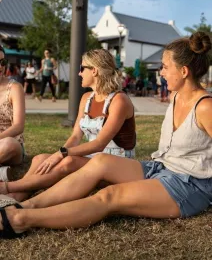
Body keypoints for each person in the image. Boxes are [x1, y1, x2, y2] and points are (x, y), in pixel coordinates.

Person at [2, 31, 211, 238]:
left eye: (165, 67)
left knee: (109, 196)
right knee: (100, 161)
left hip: (189, 184)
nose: (161, 72)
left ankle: (19, 220)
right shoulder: (176, 97)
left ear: (184, 72)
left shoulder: (205, 107)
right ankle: (23, 205)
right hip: (160, 167)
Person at [0, 49, 136, 201]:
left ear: (95, 71)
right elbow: (76, 136)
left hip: (118, 163)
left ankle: (8, 188)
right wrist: (59, 154)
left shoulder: (119, 101)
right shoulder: (86, 98)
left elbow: (99, 144)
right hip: (96, 158)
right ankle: (16, 197)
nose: (79, 73)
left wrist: (62, 154)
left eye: (82, 68)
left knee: (69, 161)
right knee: (40, 159)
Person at [0, 46, 25, 183]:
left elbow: (18, 126)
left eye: (2, 62)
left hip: (9, 143)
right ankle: (2, 174)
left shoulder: (14, 88)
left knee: (8, 144)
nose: (0, 66)